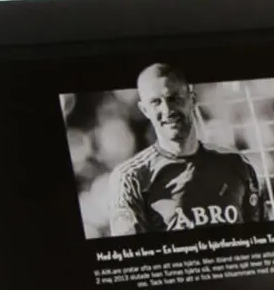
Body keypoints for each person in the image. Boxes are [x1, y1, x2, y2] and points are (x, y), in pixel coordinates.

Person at [109, 63, 265, 235]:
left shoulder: (236, 164)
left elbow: (261, 238)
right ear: (144, 110)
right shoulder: (131, 178)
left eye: (174, 98)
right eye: (156, 102)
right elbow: (132, 250)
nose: (167, 110)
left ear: (192, 99)